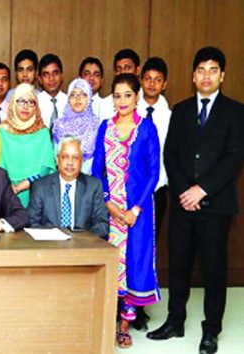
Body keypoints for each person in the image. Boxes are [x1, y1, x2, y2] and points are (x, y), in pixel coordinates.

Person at [149, 47, 244, 354]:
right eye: (201, 70)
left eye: (212, 70)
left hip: (216, 205)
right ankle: (175, 321)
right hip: (182, 204)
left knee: (214, 269)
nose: (206, 75)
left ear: (222, 76)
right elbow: (170, 155)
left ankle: (211, 330)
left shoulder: (236, 112)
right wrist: (183, 192)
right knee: (179, 265)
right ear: (192, 76)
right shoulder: (181, 110)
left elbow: (234, 157)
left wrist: (202, 190)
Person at [90, 73, 160, 349]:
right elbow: (97, 170)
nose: (122, 101)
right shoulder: (104, 128)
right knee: (111, 264)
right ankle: (108, 320)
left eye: (127, 95)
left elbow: (154, 173)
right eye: (117, 96)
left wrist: (134, 210)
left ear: (137, 97)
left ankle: (124, 325)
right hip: (110, 210)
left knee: (133, 265)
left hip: (137, 213)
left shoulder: (146, 129)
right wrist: (108, 202)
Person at [28, 137, 108, 238]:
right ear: (57, 160)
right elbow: (32, 223)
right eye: (65, 157)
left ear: (82, 161)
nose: (70, 162)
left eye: (75, 157)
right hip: (49, 248)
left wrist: (80, 240)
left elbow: (102, 225)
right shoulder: (40, 186)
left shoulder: (93, 186)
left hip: (82, 248)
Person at [0, 84, 55, 207]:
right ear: (13, 103)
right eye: (21, 101)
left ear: (36, 107)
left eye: (31, 102)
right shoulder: (3, 131)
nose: (25, 106)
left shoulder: (42, 132)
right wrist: (9, 187)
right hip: (6, 192)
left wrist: (19, 187)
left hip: (36, 193)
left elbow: (46, 169)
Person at [136, 57, 171, 240]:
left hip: (158, 188)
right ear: (141, 80)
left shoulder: (171, 116)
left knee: (150, 240)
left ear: (164, 84)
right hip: (131, 186)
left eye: (157, 80)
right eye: (148, 78)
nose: (152, 84)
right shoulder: (129, 110)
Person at [52, 78, 99, 174]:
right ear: (68, 99)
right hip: (63, 177)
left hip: (88, 181)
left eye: (83, 94)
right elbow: (56, 156)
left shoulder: (96, 125)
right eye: (73, 95)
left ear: (89, 98)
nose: (78, 98)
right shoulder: (59, 125)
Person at [98, 49, 142, 124]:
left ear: (137, 70)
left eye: (127, 68)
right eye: (119, 69)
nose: (122, 72)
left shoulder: (147, 102)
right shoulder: (105, 104)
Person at [37, 53, 67, 128]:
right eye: (46, 74)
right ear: (40, 79)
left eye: (55, 73)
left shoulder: (70, 102)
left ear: (62, 76)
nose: (51, 79)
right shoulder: (34, 103)